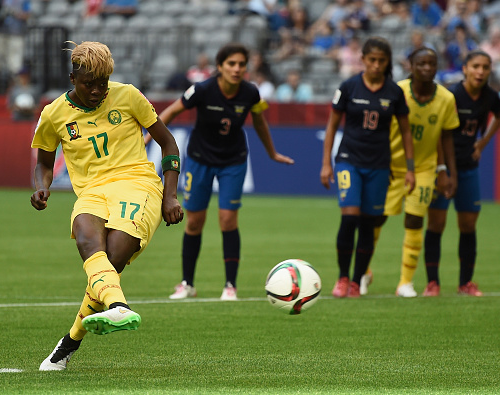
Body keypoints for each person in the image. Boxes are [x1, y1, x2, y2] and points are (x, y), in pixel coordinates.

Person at [31, 41, 184, 371]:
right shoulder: (53, 114)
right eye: (90, 84)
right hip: (91, 192)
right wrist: (41, 187)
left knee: (112, 258)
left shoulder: (128, 95)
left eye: (103, 83)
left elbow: (168, 143)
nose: (99, 90)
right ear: (73, 78)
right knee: (89, 244)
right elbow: (44, 163)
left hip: (137, 184)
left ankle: (69, 342)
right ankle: (118, 306)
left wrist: (170, 195)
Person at [151, 43, 294, 301]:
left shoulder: (251, 93)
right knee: (194, 221)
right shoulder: (203, 89)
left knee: (228, 220)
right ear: (220, 67)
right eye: (231, 64)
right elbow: (172, 111)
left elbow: (259, 121)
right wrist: (150, 139)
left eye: (241, 64)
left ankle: (230, 286)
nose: (237, 69)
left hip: (233, 161)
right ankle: (187, 284)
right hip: (199, 160)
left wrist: (272, 153)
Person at [360, 47, 460, 297]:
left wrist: (446, 171)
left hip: (425, 167)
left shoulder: (446, 99)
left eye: (432, 64)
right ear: (411, 66)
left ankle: (405, 282)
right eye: (421, 64)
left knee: (414, 219)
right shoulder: (397, 91)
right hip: (390, 166)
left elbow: (446, 137)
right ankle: (364, 272)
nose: (427, 68)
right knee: (377, 219)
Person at [320, 36, 415, 298]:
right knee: (350, 218)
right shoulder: (349, 87)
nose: (376, 65)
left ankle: (356, 280)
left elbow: (406, 132)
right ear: (362, 60)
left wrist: (409, 168)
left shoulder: (394, 92)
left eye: (381, 61)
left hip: (379, 166)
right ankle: (341, 277)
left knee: (368, 223)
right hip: (349, 161)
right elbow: (332, 125)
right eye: (371, 60)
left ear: (387, 63)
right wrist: (326, 163)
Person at [424, 50, 500, 296]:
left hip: (468, 167)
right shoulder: (450, 95)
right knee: (436, 223)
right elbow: (437, 132)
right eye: (476, 66)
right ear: (465, 69)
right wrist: (440, 169)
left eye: (485, 67)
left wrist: (483, 142)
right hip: (444, 168)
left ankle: (465, 283)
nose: (480, 72)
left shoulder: (490, 97)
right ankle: (433, 283)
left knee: (468, 225)